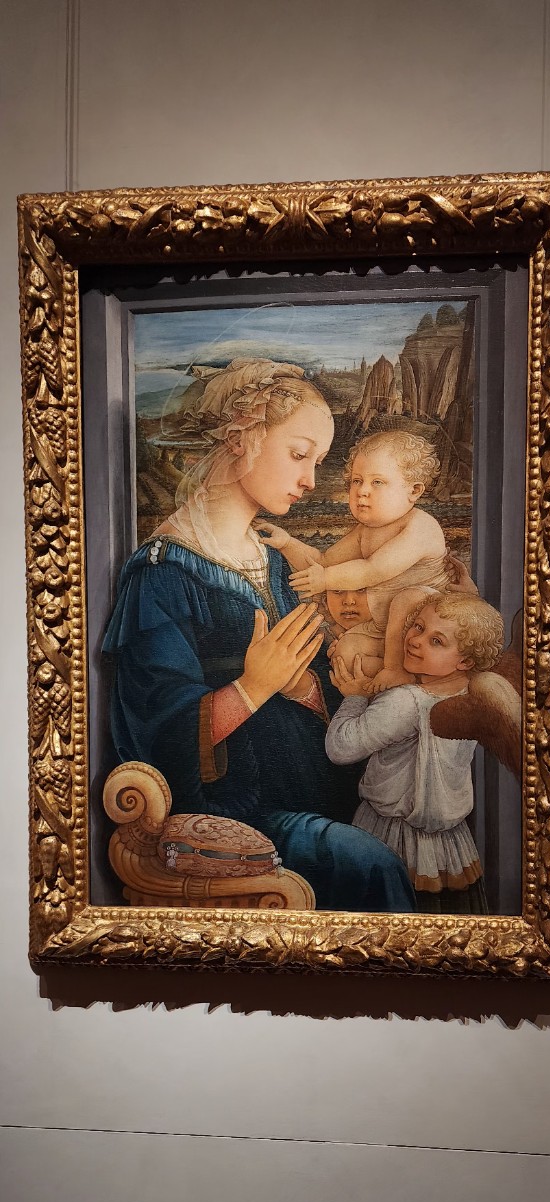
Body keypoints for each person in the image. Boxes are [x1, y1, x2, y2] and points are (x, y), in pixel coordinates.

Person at [103, 358, 416, 913]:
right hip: (238, 816)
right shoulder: (162, 572)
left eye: (318, 463)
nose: (310, 480)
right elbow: (154, 737)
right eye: (299, 455)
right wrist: (253, 688)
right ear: (240, 440)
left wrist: (306, 689)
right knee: (372, 866)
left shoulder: (272, 561)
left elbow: (317, 681)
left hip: (317, 789)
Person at [325, 592, 504, 914]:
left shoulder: (407, 701)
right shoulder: (472, 694)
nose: (416, 640)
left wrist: (354, 696)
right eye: (418, 627)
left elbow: (341, 747)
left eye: (436, 641)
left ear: (465, 661)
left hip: (388, 836)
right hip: (451, 845)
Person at [259, 429, 453, 694]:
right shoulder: (365, 531)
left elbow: (374, 570)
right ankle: (403, 683)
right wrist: (287, 543)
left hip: (426, 627)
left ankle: (399, 670)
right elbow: (323, 561)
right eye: (356, 481)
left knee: (407, 598)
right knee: (345, 654)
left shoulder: (420, 527)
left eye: (377, 482)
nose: (362, 491)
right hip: (383, 629)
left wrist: (325, 580)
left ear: (414, 490)